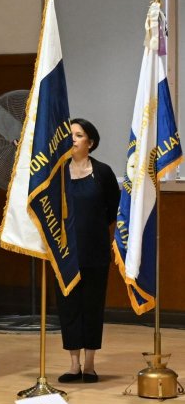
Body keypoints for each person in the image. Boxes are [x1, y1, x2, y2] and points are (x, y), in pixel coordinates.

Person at [56, 118, 120, 383]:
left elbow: (113, 210)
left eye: (78, 135)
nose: (72, 139)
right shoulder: (57, 173)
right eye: (70, 134)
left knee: (92, 306)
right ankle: (74, 365)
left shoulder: (102, 172)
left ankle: (90, 365)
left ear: (90, 142)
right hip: (65, 253)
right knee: (68, 307)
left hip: (95, 251)